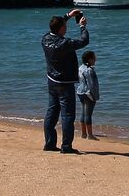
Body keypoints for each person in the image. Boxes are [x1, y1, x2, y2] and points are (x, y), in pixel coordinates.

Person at [40, 9, 90, 154]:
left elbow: (54, 27)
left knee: (52, 112)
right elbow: (84, 41)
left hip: (52, 81)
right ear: (61, 28)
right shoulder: (64, 43)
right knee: (67, 115)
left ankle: (50, 143)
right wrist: (82, 26)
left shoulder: (45, 39)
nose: (66, 28)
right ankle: (66, 146)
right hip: (65, 83)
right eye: (65, 26)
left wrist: (68, 16)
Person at [77, 50, 99, 141]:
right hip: (88, 93)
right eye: (94, 58)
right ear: (90, 59)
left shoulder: (81, 68)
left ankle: (83, 134)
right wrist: (95, 96)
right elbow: (92, 85)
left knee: (83, 113)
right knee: (88, 115)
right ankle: (90, 135)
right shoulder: (89, 70)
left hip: (80, 92)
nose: (95, 59)